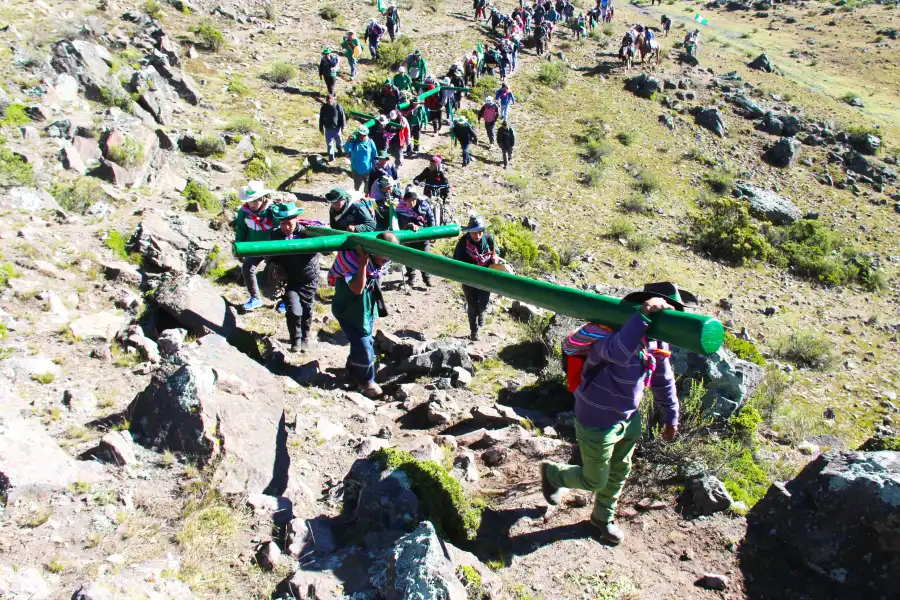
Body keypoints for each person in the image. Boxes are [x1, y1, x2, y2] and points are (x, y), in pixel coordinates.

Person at [540, 283, 690, 546]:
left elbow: (663, 380)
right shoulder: (607, 336)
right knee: (594, 479)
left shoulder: (656, 343)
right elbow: (620, 352)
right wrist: (642, 316)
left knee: (619, 471)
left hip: (628, 418)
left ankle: (602, 518)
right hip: (596, 419)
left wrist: (671, 417)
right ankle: (554, 475)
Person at [328, 232, 400, 398]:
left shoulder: (379, 264)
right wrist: (362, 265)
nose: (387, 260)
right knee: (365, 346)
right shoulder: (350, 262)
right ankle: (367, 382)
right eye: (385, 254)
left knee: (361, 343)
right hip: (348, 312)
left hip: (366, 310)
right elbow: (357, 289)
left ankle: (352, 370)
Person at [268, 203, 320, 353]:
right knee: (293, 310)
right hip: (290, 279)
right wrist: (277, 268)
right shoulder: (275, 234)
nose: (286, 228)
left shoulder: (308, 233)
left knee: (307, 309)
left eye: (289, 224)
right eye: (283, 224)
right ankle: (295, 339)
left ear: (296, 219)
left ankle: (305, 338)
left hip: (308, 278)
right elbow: (271, 256)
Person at [452, 215, 498, 341]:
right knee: (472, 304)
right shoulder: (463, 243)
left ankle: (481, 312)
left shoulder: (488, 238)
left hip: (485, 277)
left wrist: (495, 257)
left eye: (480, 232)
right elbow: (456, 261)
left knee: (483, 302)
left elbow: (495, 251)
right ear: (469, 231)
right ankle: (474, 331)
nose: (478, 235)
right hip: (469, 279)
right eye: (474, 232)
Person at [235, 181, 276, 312]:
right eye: (249, 201)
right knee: (247, 268)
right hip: (254, 247)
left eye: (254, 201)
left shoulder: (273, 211)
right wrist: (240, 248)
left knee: (280, 271)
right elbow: (241, 230)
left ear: (262, 199)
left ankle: (284, 299)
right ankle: (255, 298)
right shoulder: (244, 212)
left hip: (273, 247)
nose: (251, 204)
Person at [396, 188, 435, 290]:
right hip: (408, 236)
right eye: (407, 201)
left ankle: (427, 278)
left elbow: (431, 219)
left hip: (423, 236)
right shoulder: (400, 207)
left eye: (410, 201)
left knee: (425, 257)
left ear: (415, 199)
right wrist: (408, 225)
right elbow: (398, 223)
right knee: (408, 257)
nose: (408, 204)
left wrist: (433, 233)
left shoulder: (424, 206)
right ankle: (411, 278)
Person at [343, 126, 378, 191]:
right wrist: (348, 141)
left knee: (368, 187)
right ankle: (357, 197)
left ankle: (366, 197)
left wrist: (375, 166)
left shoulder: (370, 142)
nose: (361, 137)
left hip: (368, 170)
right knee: (357, 186)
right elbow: (346, 149)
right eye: (360, 135)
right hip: (356, 170)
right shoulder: (354, 142)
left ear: (367, 134)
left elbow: (374, 155)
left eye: (363, 135)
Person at [318, 94, 346, 162]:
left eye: (330, 101)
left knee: (339, 142)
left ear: (333, 100)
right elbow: (321, 118)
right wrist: (321, 128)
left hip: (337, 128)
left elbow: (342, 116)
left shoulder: (338, 106)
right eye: (328, 101)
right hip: (328, 129)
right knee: (330, 144)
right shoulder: (323, 108)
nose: (329, 102)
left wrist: (343, 127)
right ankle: (331, 159)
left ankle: (340, 151)